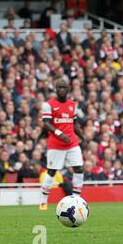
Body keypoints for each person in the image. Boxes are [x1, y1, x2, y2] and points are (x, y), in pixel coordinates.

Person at [39, 78, 86, 210]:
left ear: (68, 89)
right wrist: (60, 134)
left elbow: (74, 124)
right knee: (52, 171)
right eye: (59, 87)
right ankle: (43, 200)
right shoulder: (48, 104)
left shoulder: (73, 105)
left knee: (79, 169)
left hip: (72, 143)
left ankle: (77, 199)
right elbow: (46, 123)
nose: (61, 90)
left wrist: (82, 136)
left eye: (63, 87)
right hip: (56, 144)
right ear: (55, 89)